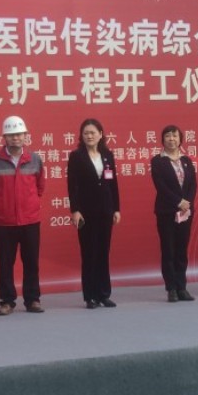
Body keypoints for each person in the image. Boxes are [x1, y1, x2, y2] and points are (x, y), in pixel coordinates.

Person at [0, 116, 46, 315]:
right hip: (5, 222)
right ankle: (7, 301)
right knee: (5, 264)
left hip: (30, 221)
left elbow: (40, 187)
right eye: (11, 135)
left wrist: (31, 205)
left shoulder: (35, 159)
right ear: (4, 137)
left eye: (18, 134)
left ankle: (32, 299)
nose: (15, 138)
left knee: (31, 262)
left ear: (25, 136)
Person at [67, 118, 120, 309]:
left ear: (100, 134)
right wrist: (75, 210)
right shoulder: (76, 156)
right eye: (86, 133)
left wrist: (116, 208)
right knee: (89, 253)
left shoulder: (107, 155)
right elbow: (72, 186)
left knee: (103, 252)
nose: (89, 136)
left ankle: (104, 294)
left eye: (92, 132)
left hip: (106, 210)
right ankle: (90, 296)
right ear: (81, 136)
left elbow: (113, 183)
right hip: (86, 212)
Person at [150, 125, 197, 303]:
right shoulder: (158, 161)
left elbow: (193, 184)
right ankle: (171, 288)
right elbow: (160, 186)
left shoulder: (186, 160)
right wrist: (178, 202)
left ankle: (182, 287)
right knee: (168, 250)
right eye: (168, 136)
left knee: (181, 250)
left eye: (175, 136)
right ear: (163, 140)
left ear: (180, 139)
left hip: (186, 212)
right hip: (167, 211)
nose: (171, 139)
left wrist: (187, 202)